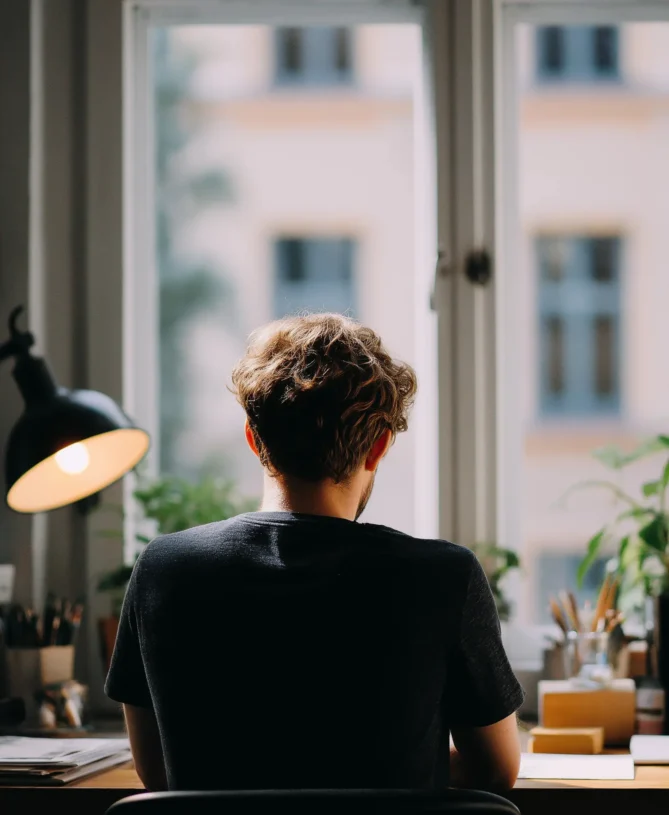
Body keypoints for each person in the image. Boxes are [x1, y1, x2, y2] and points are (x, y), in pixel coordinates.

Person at [105, 313, 524, 792]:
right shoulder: (444, 577)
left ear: (254, 438)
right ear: (378, 447)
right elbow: (496, 772)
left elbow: (159, 772)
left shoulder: (164, 569)